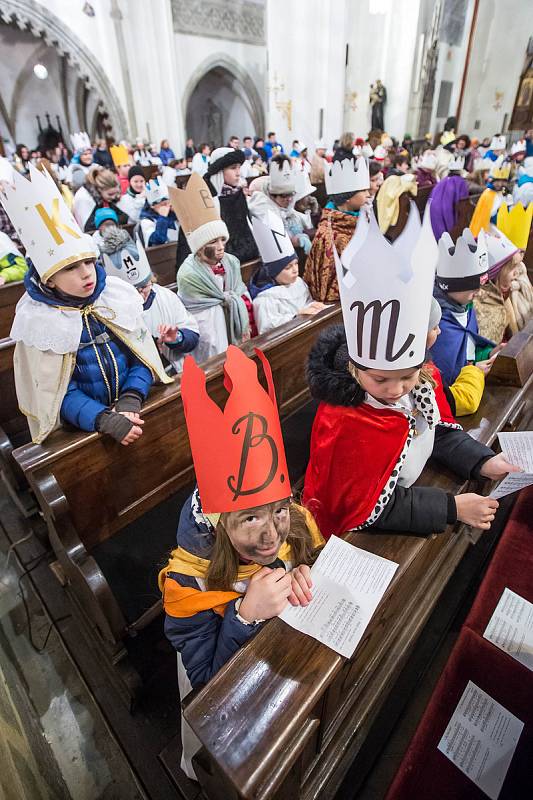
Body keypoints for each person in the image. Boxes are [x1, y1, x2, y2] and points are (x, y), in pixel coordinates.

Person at [302, 207, 519, 539]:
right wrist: (453, 507)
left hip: (407, 496)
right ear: (355, 367)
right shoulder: (345, 418)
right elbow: (365, 505)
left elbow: (439, 431)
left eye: (407, 376)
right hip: (355, 535)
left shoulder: (423, 380)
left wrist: (483, 461)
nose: (396, 390)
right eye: (381, 379)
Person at [159, 344, 323, 779]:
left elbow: (305, 549)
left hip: (280, 676)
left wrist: (305, 569)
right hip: (222, 704)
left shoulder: (292, 523)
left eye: (279, 510)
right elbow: (209, 686)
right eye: (250, 517)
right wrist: (244, 614)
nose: (272, 536)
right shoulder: (187, 586)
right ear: (219, 524)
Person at [2, 163, 171, 444]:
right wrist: (102, 418)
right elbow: (57, 394)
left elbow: (141, 356)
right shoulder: (40, 322)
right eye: (70, 268)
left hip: (137, 410)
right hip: (83, 434)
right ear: (49, 279)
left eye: (88, 262)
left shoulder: (112, 298)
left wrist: (131, 398)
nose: (85, 273)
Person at [171, 173, 253, 362]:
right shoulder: (189, 273)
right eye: (213, 241)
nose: (221, 246)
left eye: (222, 239)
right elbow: (196, 312)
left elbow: (239, 290)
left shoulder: (231, 262)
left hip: (233, 328)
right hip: (208, 332)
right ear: (200, 247)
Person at [100, 228, 199, 372]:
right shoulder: (111, 312)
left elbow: (193, 335)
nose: (141, 296)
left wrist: (177, 338)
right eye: (133, 291)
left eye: (144, 287)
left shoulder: (165, 296)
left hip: (177, 371)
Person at [430, 228, 497, 386]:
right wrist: (474, 370)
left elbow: (469, 353)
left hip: (473, 385)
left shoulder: (466, 307)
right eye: (475, 287)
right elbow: (443, 378)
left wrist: (490, 353)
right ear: (456, 286)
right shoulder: (435, 322)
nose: (479, 293)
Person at [303, 157, 371, 302]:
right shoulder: (329, 235)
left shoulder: (364, 220)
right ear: (348, 197)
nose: (368, 194)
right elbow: (327, 285)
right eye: (363, 190)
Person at [249, 211, 325, 333]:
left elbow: (307, 303)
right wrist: (296, 316)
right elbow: (267, 330)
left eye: (296, 264)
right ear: (274, 272)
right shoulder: (265, 299)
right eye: (288, 267)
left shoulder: (299, 282)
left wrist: (313, 306)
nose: (295, 270)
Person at [427, 297, 486, 417]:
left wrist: (487, 354)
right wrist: (475, 371)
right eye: (434, 327)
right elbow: (452, 402)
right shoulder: (425, 369)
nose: (439, 331)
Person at [474, 228, 533, 344]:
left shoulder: (504, 293)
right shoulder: (481, 306)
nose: (517, 273)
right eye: (512, 268)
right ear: (496, 273)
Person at [248, 156, 313, 254]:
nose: (289, 199)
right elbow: (275, 230)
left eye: (291, 194)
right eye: (284, 196)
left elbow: (301, 219)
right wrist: (293, 239)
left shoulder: (287, 204)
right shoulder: (261, 204)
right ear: (273, 196)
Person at [73, 166, 128, 232]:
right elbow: (87, 228)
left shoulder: (105, 197)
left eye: (116, 193)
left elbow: (124, 216)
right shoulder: (84, 198)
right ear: (99, 190)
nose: (114, 197)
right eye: (110, 194)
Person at [429, 155, 469, 240]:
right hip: (448, 213)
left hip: (434, 214)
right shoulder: (460, 182)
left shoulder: (442, 182)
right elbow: (463, 204)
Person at [470, 157, 512, 235]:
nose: (500, 184)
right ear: (492, 181)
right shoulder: (488, 194)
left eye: (503, 181)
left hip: (502, 228)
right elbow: (484, 215)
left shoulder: (505, 193)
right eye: (497, 181)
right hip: (489, 229)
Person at [139, 178, 179, 246]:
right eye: (161, 204)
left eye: (166, 203)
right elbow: (158, 240)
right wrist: (163, 217)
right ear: (152, 206)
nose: (165, 206)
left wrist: (179, 213)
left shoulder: (173, 212)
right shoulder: (146, 220)